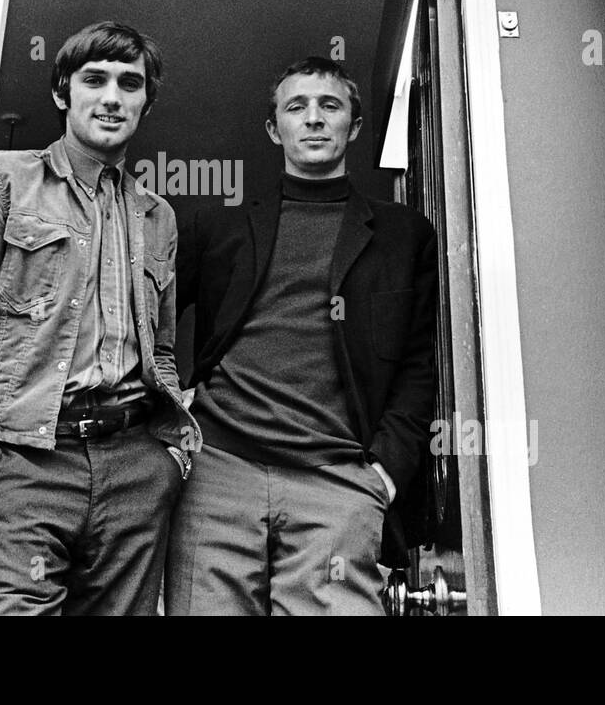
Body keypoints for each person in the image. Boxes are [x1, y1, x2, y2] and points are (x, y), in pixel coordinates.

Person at [167, 56, 437, 615]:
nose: (314, 118)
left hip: (339, 479)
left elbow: (418, 363)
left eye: (330, 106)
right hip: (220, 471)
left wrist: (386, 470)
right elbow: (146, 322)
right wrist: (170, 402)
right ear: (275, 129)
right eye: (297, 107)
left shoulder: (402, 234)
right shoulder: (218, 225)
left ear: (354, 127)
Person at [0, 21, 199, 615]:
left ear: (147, 102)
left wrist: (168, 456)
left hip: (134, 466)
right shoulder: (3, 177)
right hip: (23, 461)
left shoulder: (156, 214)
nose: (112, 97)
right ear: (63, 93)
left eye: (129, 84)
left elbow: (159, 350)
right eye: (95, 79)